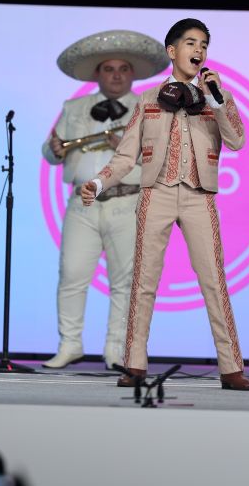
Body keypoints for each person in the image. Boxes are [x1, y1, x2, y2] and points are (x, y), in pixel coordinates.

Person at [81, 18, 249, 391]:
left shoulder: (216, 95)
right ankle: (135, 364)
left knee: (213, 281)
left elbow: (238, 140)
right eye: (191, 43)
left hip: (198, 196)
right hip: (155, 193)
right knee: (143, 282)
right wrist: (98, 182)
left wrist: (216, 98)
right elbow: (127, 156)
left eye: (204, 45)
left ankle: (231, 367)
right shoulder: (147, 99)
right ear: (172, 51)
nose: (199, 50)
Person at [42, 30, 169, 369]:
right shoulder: (74, 107)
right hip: (83, 203)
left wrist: (123, 148)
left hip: (126, 202)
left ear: (132, 74)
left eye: (122, 68)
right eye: (108, 68)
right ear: (98, 74)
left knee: (124, 282)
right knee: (71, 274)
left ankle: (116, 350)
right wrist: (54, 149)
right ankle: (69, 344)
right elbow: (50, 151)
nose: (115, 75)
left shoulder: (152, 109)